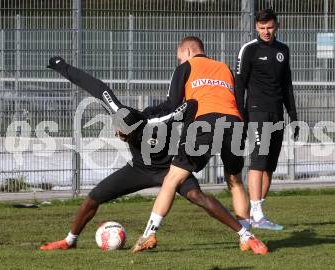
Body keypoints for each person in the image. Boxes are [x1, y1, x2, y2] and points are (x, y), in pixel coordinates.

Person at [39, 57, 267, 255]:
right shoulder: (120, 112)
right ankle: (70, 240)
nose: (120, 136)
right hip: (138, 170)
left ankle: (246, 235)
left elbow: (191, 105)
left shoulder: (159, 121)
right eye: (118, 131)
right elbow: (97, 87)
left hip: (170, 168)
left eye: (125, 134)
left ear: (138, 130)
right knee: (93, 197)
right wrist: (62, 67)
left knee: (198, 196)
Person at [131, 36, 263, 254]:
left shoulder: (186, 67)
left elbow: (172, 104)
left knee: (172, 179)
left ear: (189, 51)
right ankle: (246, 238)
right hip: (234, 122)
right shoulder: (224, 68)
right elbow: (239, 101)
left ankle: (149, 233)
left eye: (179, 57)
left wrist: (144, 114)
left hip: (204, 123)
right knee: (235, 181)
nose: (179, 61)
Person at [234, 9, 298, 230]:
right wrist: (240, 115)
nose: (266, 31)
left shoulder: (283, 50)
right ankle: (258, 213)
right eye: (262, 28)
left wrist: (293, 115)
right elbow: (239, 84)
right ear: (256, 28)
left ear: (277, 26)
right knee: (258, 161)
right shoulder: (249, 50)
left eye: (269, 27)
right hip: (256, 112)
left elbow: (287, 85)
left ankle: (256, 212)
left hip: (277, 113)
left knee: (270, 165)